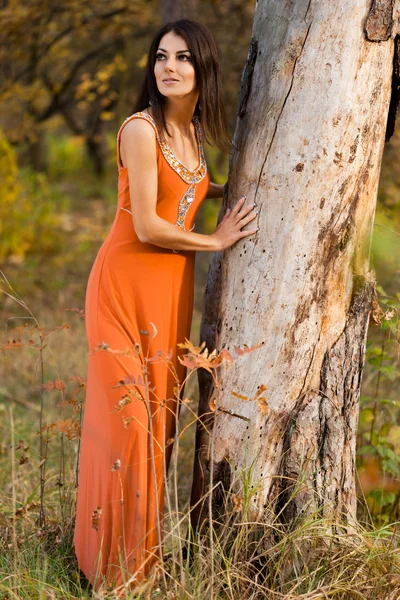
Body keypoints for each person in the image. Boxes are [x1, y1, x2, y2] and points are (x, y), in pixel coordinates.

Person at [73, 18, 258, 594]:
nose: (168, 67)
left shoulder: (194, 136)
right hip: (124, 289)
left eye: (182, 58)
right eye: (160, 57)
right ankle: (107, 568)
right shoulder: (139, 129)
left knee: (160, 426)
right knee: (127, 426)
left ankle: (143, 565)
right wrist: (217, 240)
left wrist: (239, 188)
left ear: (204, 69)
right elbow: (151, 225)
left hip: (169, 295)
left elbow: (189, 190)